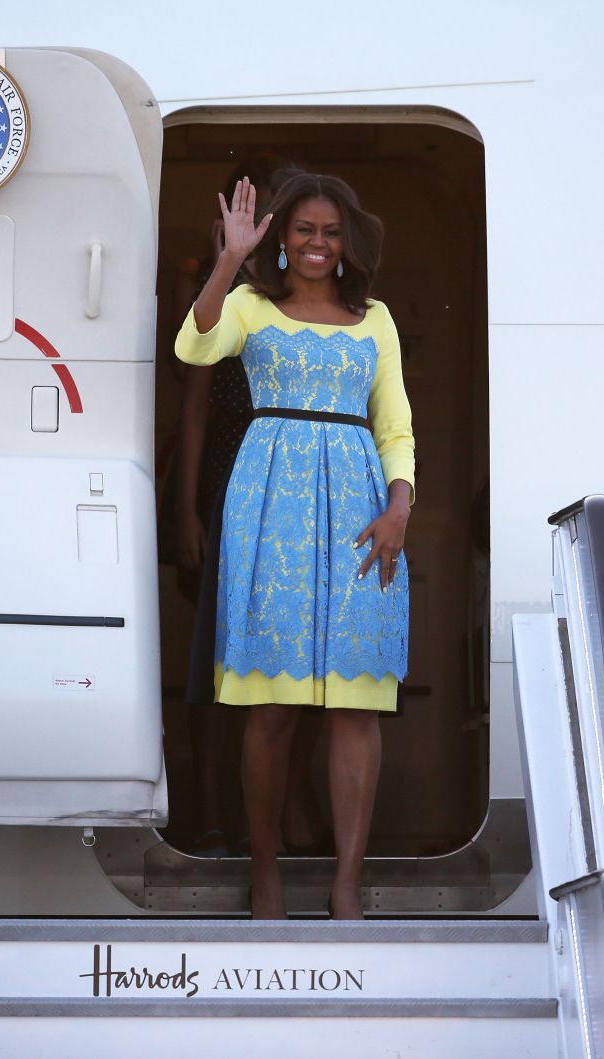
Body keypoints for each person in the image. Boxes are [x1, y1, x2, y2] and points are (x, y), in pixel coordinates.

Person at [175, 172, 415, 920]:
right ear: (282, 236)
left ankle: (347, 881)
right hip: (268, 507)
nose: (317, 243)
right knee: (271, 705)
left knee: (356, 704)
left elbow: (396, 425)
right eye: (304, 229)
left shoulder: (375, 318)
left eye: (330, 231)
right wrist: (228, 260)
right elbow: (195, 343)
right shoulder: (250, 304)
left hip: (360, 511)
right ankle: (268, 874)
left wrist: (400, 505)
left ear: (348, 242)